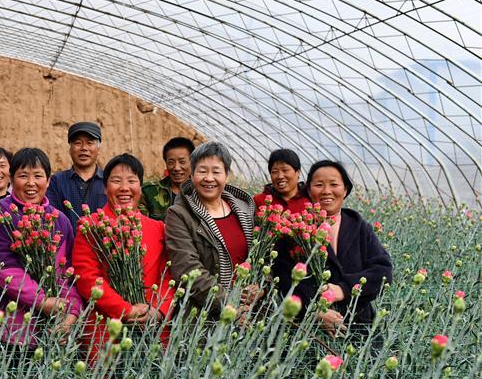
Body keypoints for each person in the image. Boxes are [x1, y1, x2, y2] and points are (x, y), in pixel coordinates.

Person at [72, 154, 175, 362]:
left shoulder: (157, 229)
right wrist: (125, 310)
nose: (124, 188)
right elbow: (86, 277)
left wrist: (157, 310)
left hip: (151, 327)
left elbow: (167, 275)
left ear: (140, 186)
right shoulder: (90, 227)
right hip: (105, 329)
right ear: (105, 187)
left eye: (131, 181)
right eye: (116, 181)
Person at [274, 160, 393, 338]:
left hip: (359, 328)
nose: (327, 191)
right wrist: (314, 309)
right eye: (319, 185)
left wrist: (343, 290)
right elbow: (283, 278)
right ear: (308, 190)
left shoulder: (359, 227)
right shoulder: (296, 230)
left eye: (334, 184)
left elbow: (382, 273)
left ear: (345, 189)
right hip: (307, 332)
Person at [0, 148, 83, 350]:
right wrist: (42, 301)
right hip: (9, 330)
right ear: (11, 179)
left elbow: (68, 273)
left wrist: (71, 312)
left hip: (53, 330)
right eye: (23, 176)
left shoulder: (59, 220)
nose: (31, 183)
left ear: (48, 180)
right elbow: (4, 269)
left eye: (38, 176)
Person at [164, 141, 259, 319]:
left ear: (227, 176)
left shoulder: (245, 210)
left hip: (250, 315)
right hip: (203, 318)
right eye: (202, 171)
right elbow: (187, 268)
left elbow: (261, 256)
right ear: (191, 175)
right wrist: (229, 305)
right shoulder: (179, 214)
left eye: (216, 171)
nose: (209, 178)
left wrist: (260, 287)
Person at [46, 122, 107, 230]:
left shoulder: (108, 181)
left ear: (98, 149)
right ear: (70, 149)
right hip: (69, 245)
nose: (84, 148)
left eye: (89, 143)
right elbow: (54, 220)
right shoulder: (56, 182)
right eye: (78, 143)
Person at [139, 137, 195, 220]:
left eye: (182, 162)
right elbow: (142, 224)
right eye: (171, 162)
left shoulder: (201, 192)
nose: (176, 168)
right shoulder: (149, 192)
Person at [253, 149, 311, 213]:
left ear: (298, 172)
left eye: (285, 170)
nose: (280, 176)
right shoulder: (259, 201)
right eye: (275, 172)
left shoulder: (310, 200)